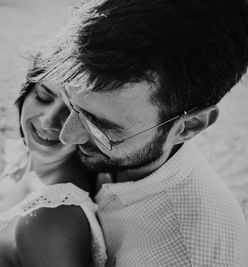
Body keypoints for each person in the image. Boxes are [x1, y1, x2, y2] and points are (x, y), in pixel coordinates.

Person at [35, 0, 248, 266]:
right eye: (70, 100)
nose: (67, 135)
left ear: (189, 126)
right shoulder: (130, 142)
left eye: (100, 126)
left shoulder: (182, 256)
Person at [0, 58, 107, 267]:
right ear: (26, 92)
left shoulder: (52, 219)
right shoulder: (25, 158)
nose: (48, 121)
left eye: (71, 111)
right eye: (42, 97)